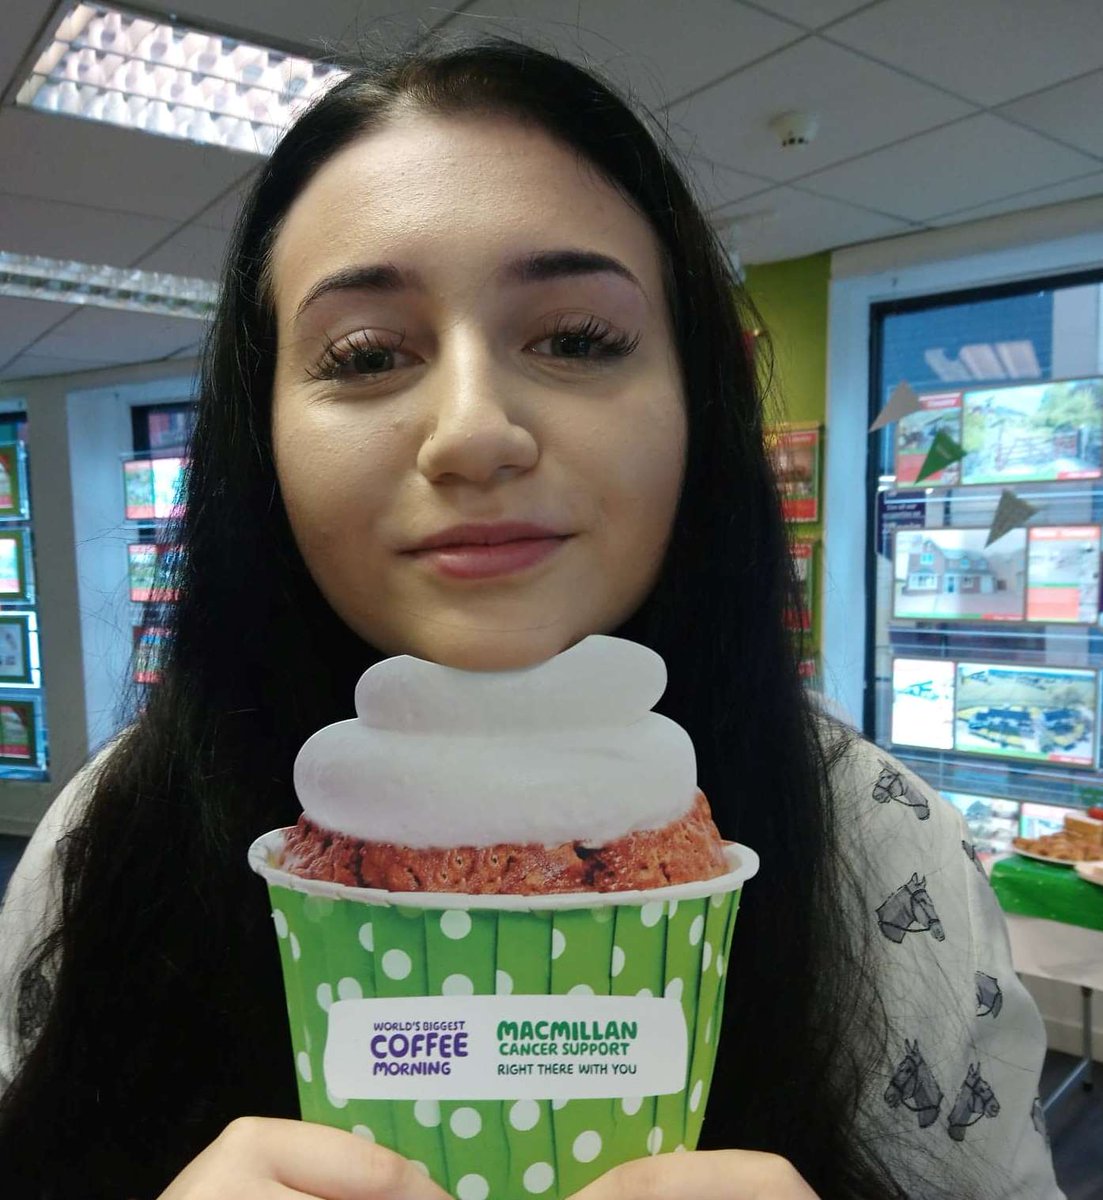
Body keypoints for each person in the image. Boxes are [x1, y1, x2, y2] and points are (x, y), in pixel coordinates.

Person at [0, 39, 1062, 1200]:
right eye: (364, 355)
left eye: (575, 339)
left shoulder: (874, 840)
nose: (471, 432)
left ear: (694, 406)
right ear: (262, 441)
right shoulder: (116, 835)